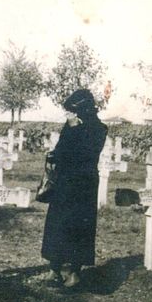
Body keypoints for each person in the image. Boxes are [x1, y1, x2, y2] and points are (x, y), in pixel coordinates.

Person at [41, 89, 108, 287]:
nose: (68, 115)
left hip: (84, 185)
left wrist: (73, 131)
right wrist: (53, 154)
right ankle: (54, 269)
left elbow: (85, 154)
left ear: (83, 109)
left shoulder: (98, 129)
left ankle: (74, 272)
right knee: (57, 223)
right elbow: (62, 150)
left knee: (80, 227)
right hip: (64, 183)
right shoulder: (69, 126)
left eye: (71, 110)